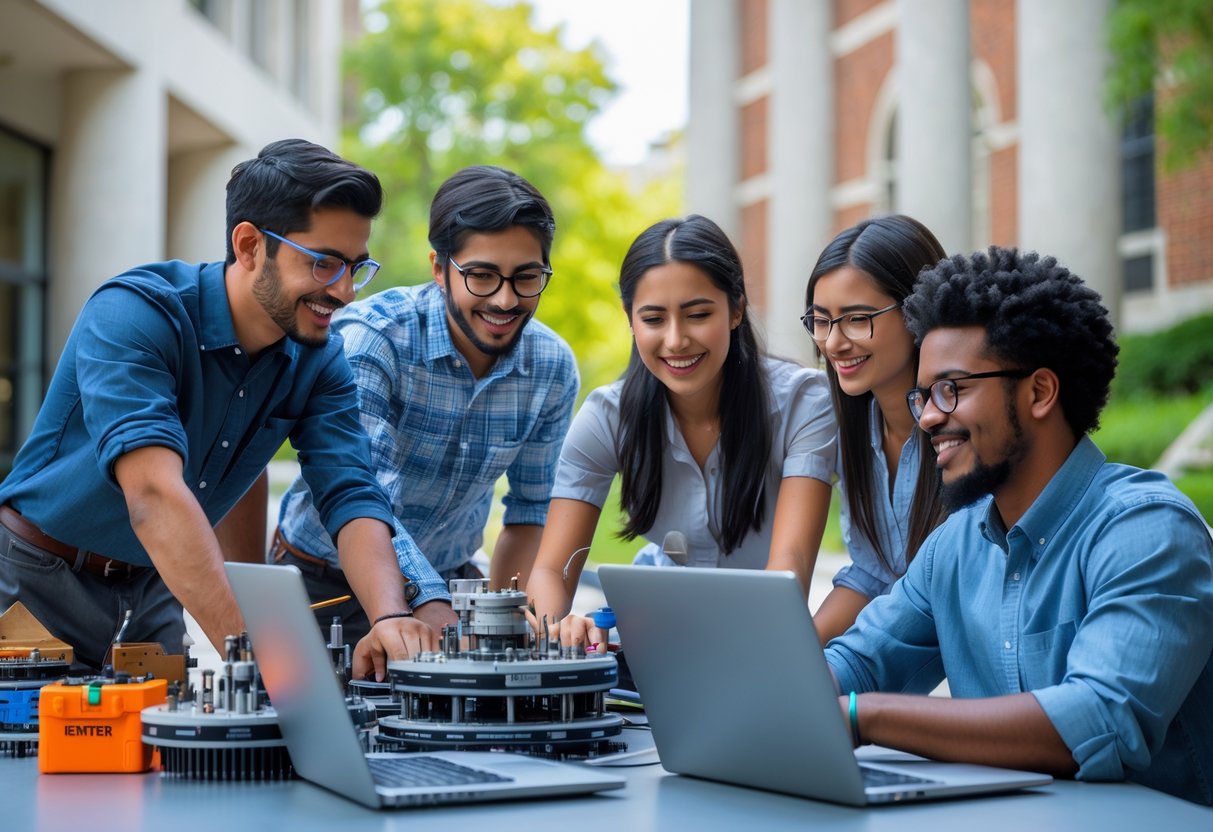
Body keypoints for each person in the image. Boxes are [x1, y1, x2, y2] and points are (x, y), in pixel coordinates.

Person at [0, 139, 436, 679]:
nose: (345, 291)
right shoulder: (135, 314)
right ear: (250, 245)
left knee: (180, 738)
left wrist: (389, 615)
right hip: (33, 585)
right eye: (324, 264)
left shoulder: (320, 359)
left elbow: (351, 491)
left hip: (152, 591)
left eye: (355, 267)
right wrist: (266, 658)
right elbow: (153, 495)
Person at [824, 246, 1213, 805]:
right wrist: (772, 693)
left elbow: (1098, 717)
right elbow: (859, 662)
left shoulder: (1146, 530)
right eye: (923, 395)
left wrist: (865, 717)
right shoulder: (954, 546)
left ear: (1039, 392)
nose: (928, 417)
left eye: (951, 389)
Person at [273, 165, 578, 644]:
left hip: (451, 585)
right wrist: (428, 600)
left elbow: (530, 513)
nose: (505, 300)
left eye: (527, 277)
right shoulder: (372, 341)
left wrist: (499, 629)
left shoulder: (553, 367)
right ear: (439, 268)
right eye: (481, 276)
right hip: (322, 582)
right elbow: (367, 500)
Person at [526, 215, 837, 646]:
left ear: (736, 309)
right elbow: (549, 570)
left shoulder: (804, 403)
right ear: (630, 319)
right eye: (654, 319)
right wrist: (556, 628)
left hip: (760, 637)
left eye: (698, 314)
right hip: (652, 639)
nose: (675, 340)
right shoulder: (606, 417)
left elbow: (790, 564)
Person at [802, 215, 947, 642]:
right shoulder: (852, 427)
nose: (833, 343)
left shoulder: (966, 428)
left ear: (917, 311)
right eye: (821, 320)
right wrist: (796, 651)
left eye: (856, 318)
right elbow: (872, 575)